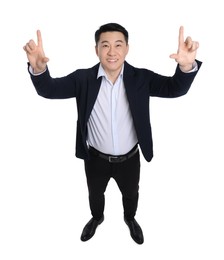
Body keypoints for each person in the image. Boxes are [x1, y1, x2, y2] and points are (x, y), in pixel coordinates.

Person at [23, 23, 202, 245]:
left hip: (130, 158)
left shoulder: (142, 78)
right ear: (96, 49)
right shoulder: (83, 79)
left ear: (127, 48)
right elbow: (49, 90)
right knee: (95, 194)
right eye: (105, 45)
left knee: (131, 193)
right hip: (95, 158)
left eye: (118, 45)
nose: (112, 51)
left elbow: (175, 89)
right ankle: (97, 218)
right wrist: (39, 71)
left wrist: (186, 67)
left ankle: (130, 218)